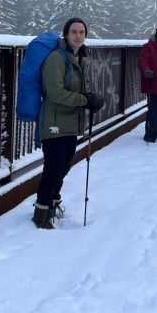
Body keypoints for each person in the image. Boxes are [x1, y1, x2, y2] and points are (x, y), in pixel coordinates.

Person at [33, 18, 105, 229]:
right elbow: (55, 93)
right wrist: (85, 100)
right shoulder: (57, 58)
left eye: (82, 32)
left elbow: (83, 88)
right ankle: (41, 212)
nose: (78, 36)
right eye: (74, 32)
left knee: (64, 166)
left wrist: (92, 98)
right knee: (53, 167)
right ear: (66, 34)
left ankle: (53, 203)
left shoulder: (81, 58)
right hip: (54, 122)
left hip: (72, 123)